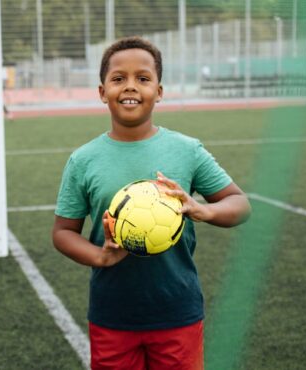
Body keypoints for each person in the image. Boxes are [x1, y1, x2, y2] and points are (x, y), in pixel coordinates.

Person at [51, 36, 251, 370]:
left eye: (143, 78)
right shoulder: (83, 160)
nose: (130, 87)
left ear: (158, 91)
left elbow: (239, 204)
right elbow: (62, 232)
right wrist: (100, 256)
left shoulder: (186, 150)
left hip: (177, 310)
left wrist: (204, 210)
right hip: (112, 313)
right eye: (118, 79)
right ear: (102, 92)